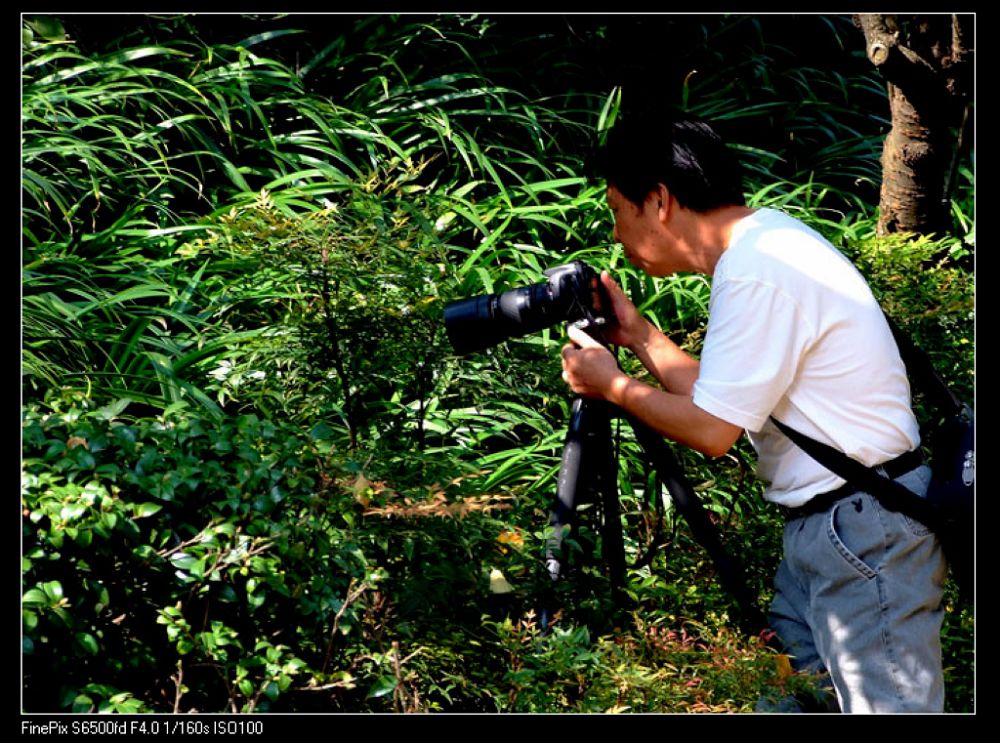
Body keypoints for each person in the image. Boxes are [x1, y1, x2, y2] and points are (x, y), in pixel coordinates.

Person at [559, 110, 947, 713]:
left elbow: (713, 432)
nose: (615, 233)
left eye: (617, 210)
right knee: (788, 703)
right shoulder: (767, 247)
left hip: (861, 530)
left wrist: (610, 386)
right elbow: (724, 399)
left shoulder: (757, 270)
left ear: (659, 201)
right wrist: (638, 336)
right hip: (840, 527)